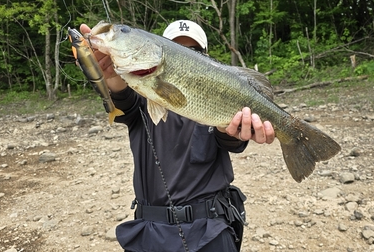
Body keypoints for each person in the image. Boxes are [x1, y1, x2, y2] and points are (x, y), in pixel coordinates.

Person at [80, 20, 275, 252]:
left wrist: (232, 130)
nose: (185, 55)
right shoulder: (140, 95)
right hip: (150, 233)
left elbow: (229, 140)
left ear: (206, 58)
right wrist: (109, 74)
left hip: (210, 230)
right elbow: (120, 97)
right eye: (176, 48)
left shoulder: (215, 98)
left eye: (194, 52)